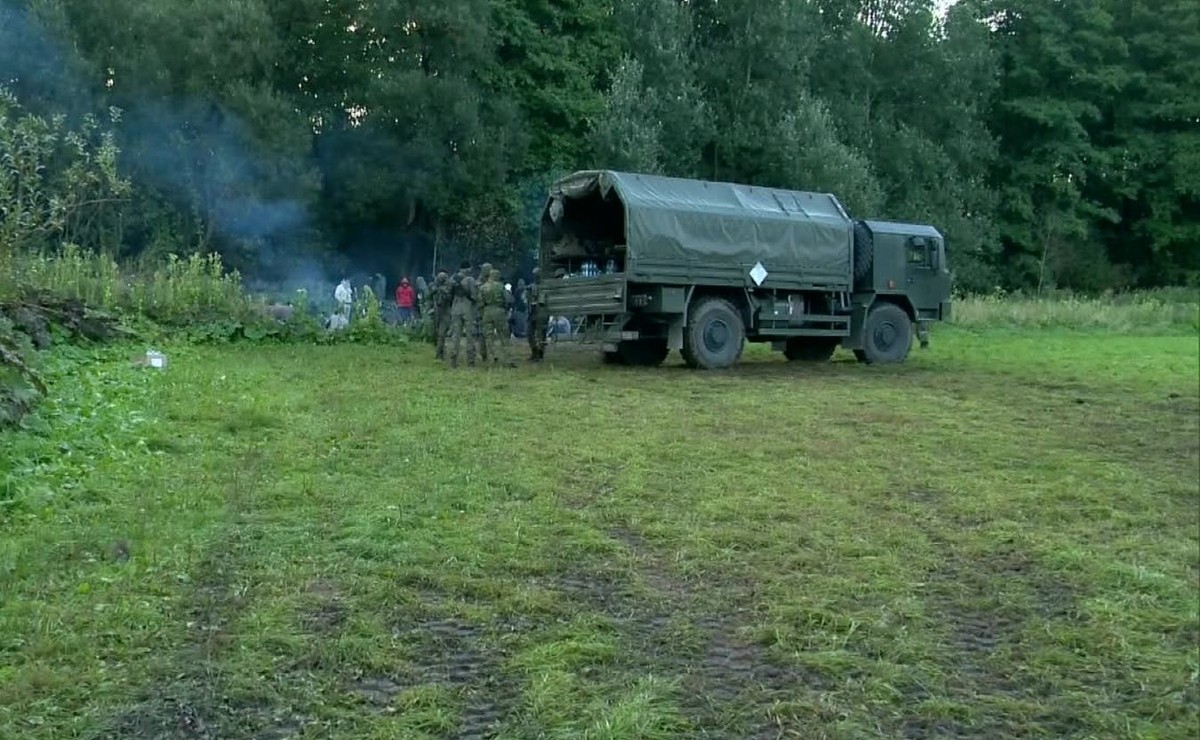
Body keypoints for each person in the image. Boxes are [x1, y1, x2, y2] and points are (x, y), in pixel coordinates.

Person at [446, 261, 478, 368]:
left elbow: (448, 295)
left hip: (455, 308)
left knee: (455, 336)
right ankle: (470, 362)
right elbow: (474, 296)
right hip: (467, 308)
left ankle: (453, 361)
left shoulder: (452, 279)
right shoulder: (470, 280)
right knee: (470, 336)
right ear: (467, 268)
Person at [479, 268, 513, 368]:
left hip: (487, 311)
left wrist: (483, 313)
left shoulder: (483, 287)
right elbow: (509, 300)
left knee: (489, 337)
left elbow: (480, 302)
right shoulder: (501, 286)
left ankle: (492, 358)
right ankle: (507, 360)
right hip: (499, 311)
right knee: (504, 336)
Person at [525, 267, 546, 361]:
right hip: (532, 312)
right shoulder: (530, 286)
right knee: (529, 332)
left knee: (541, 334)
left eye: (537, 275)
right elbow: (525, 298)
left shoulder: (545, 286)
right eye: (534, 275)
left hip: (541, 312)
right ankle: (534, 351)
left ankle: (540, 353)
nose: (535, 277)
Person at [431, 271, 452, 360]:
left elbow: (450, 298)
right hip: (437, 312)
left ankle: (440, 353)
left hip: (445, 312)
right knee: (437, 333)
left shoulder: (448, 288)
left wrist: (443, 290)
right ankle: (439, 352)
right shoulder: (435, 287)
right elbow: (428, 295)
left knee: (442, 334)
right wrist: (436, 290)